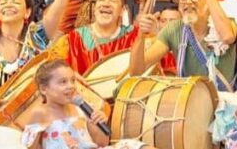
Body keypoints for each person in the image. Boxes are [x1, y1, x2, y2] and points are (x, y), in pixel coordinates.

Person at [129, 0, 237, 90]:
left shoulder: (227, 22)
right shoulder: (174, 29)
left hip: (223, 100)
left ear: (207, 1)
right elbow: (136, 71)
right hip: (187, 101)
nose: (189, 2)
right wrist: (141, 35)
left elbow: (227, 37)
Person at [20, 59, 148, 149]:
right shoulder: (40, 112)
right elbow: (31, 147)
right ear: (43, 89)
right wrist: (37, 130)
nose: (70, 86)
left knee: (133, 145)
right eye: (63, 82)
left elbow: (102, 143)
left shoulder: (80, 108)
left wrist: (96, 123)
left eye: (72, 80)